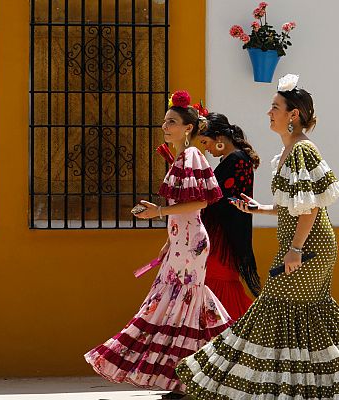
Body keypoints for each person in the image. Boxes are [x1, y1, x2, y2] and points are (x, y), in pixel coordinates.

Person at [176, 75, 339, 399]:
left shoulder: (302, 150)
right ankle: (332, 386)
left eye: (275, 107)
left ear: (293, 115)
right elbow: (296, 203)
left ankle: (249, 386)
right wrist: (261, 209)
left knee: (272, 311)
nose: (269, 112)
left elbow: (311, 207)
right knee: (312, 316)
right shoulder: (289, 151)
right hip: (306, 247)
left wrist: (296, 249)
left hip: (309, 248)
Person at [85, 90, 231, 399]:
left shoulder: (191, 155)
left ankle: (185, 374)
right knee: (184, 303)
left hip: (190, 244)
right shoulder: (181, 156)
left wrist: (159, 212)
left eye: (173, 122)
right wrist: (169, 239)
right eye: (165, 121)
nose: (166, 126)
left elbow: (201, 201)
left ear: (188, 127)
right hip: (183, 242)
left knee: (178, 303)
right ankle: (202, 371)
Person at [197, 112, 262, 319]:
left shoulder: (237, 160)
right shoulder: (233, 159)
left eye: (206, 142)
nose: (205, 148)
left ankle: (248, 336)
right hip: (221, 235)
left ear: (219, 138)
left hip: (224, 238)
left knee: (221, 288)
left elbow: (226, 200)